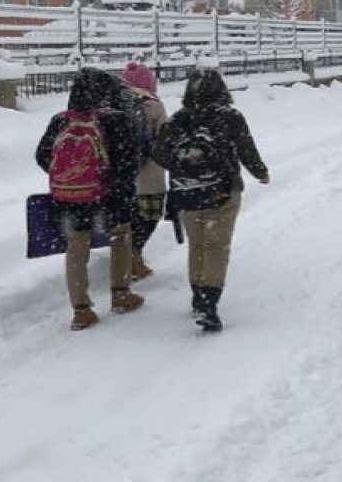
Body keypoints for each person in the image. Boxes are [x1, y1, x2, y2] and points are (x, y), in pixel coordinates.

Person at [154, 69, 270, 332]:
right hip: (222, 191)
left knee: (198, 246)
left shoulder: (178, 119)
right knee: (216, 247)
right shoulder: (230, 117)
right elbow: (246, 149)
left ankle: (198, 297)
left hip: (186, 192)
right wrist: (259, 172)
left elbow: (160, 154)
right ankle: (209, 303)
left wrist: (183, 167)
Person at [36, 68, 144, 331]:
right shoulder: (115, 119)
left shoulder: (61, 120)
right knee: (120, 237)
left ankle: (81, 310)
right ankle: (120, 293)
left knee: (76, 246)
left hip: (70, 195)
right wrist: (111, 184)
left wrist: (71, 176)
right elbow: (129, 162)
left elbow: (42, 155)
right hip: (110, 194)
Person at [120, 62, 169, 281]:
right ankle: (134, 254)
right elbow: (165, 139)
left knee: (127, 218)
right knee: (149, 216)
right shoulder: (154, 105)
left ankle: (124, 257)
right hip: (150, 175)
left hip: (122, 175)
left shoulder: (114, 104)